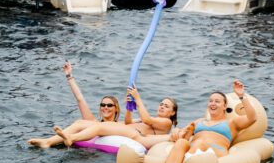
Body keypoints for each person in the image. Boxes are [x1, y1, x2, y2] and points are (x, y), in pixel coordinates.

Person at [27, 63, 177, 149]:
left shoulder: (165, 122)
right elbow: (129, 122)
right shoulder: (102, 121)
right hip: (125, 131)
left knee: (98, 127)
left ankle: (70, 138)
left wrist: (137, 98)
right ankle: (48, 141)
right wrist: (129, 107)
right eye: (103, 105)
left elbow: (145, 119)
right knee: (80, 122)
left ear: (172, 112)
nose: (105, 107)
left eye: (166, 106)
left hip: (131, 135)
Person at [161, 81, 257, 163]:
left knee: (200, 143)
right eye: (210, 101)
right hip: (194, 149)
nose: (213, 103)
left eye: (217, 101)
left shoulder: (232, 122)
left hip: (216, 151)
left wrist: (241, 96)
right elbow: (183, 136)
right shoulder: (199, 121)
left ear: (224, 106)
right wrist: (177, 130)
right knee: (181, 143)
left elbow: (252, 118)